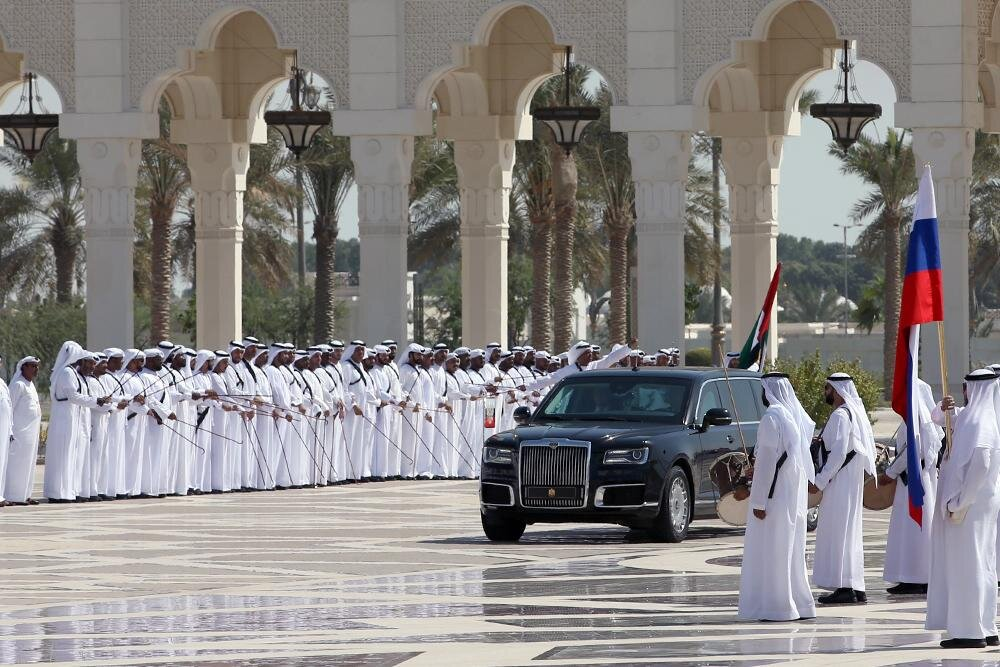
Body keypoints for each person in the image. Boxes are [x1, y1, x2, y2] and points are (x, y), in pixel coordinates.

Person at [926, 369, 1000, 649]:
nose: (964, 392)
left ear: (975, 389)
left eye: (966, 387)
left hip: (970, 507)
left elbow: (980, 463)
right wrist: (941, 408)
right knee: (982, 564)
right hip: (976, 505)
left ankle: (969, 631)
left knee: (968, 566)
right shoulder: (975, 416)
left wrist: (960, 501)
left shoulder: (981, 420)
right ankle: (985, 625)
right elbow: (943, 420)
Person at [738, 372, 816, 621]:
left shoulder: (772, 418)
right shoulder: (790, 416)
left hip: (774, 497)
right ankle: (798, 604)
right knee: (788, 551)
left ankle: (776, 607)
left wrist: (759, 501)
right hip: (789, 495)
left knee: (772, 550)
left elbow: (768, 462)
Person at [809, 373, 876, 604]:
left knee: (839, 532)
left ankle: (845, 587)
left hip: (839, 483)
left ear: (837, 390)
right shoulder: (854, 413)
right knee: (849, 533)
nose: (825, 393)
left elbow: (837, 455)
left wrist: (819, 481)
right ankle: (854, 586)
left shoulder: (840, 415)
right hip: (849, 482)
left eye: (828, 389)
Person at [880, 377, 942, 595]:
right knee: (909, 530)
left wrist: (890, 472)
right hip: (913, 480)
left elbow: (914, 451)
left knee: (916, 529)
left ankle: (919, 577)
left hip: (915, 481)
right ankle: (911, 576)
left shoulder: (918, 419)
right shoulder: (913, 419)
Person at [44, 343, 106, 502]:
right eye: (88, 361)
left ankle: (70, 491)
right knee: (64, 456)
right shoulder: (66, 372)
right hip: (65, 420)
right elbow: (73, 396)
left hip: (75, 421)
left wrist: (97, 401)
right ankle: (59, 494)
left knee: (73, 457)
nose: (91, 365)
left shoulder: (76, 375)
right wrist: (96, 401)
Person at [5, 357, 40, 506]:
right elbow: (9, 408)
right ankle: (13, 495)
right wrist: (10, 430)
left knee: (29, 463)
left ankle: (25, 494)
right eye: (32, 366)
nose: (36, 369)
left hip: (31, 432)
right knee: (17, 464)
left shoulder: (30, 384)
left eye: (37, 366)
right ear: (23, 367)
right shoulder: (18, 384)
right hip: (20, 432)